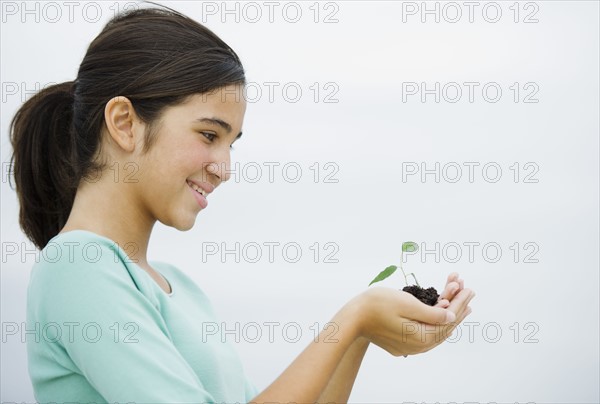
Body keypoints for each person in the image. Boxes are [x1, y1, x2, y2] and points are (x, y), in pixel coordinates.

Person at [9, 4, 475, 403]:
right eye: (209, 135)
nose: (223, 167)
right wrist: (355, 316)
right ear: (125, 123)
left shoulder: (181, 290)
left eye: (231, 144)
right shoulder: (78, 264)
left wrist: (362, 332)